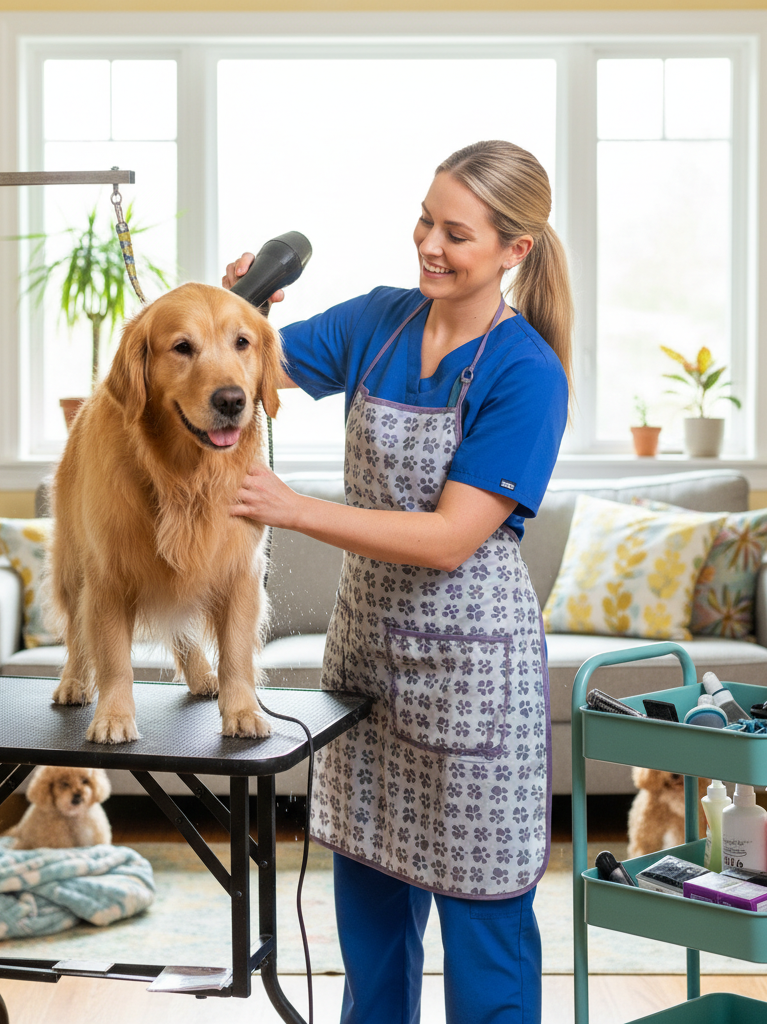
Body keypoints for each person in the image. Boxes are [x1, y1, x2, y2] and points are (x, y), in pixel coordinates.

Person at [224, 140, 572, 1024]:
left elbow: (453, 538)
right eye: (425, 218)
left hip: (472, 689)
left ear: (513, 250)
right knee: (372, 942)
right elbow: (249, 371)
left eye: (456, 233)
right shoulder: (377, 323)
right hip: (367, 668)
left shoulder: (526, 371)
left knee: (485, 942)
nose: (428, 243)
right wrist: (238, 310)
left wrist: (293, 509)